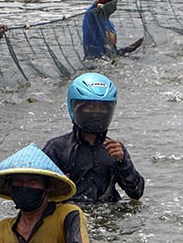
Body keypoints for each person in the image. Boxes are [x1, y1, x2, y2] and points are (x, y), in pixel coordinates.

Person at [43, 73, 144, 203]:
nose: (96, 112)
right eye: (89, 106)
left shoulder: (115, 150)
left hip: (108, 210)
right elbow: (40, 193)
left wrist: (123, 162)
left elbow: (136, 193)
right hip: (71, 211)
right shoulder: (57, 148)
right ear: (74, 108)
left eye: (102, 107)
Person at [82, 0, 146, 59]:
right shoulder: (92, 15)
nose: (112, 3)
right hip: (92, 63)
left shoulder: (110, 25)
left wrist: (139, 43)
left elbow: (113, 53)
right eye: (109, 0)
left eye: (114, 0)